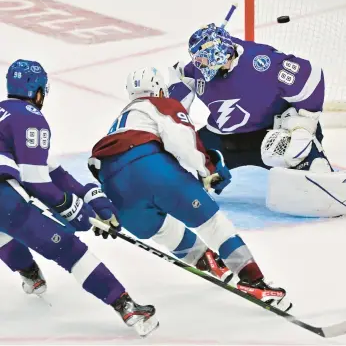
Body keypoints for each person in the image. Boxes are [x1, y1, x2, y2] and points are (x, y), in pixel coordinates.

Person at [88, 67, 292, 312]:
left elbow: (95, 165)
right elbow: (182, 139)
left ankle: (203, 259)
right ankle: (254, 280)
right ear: (159, 88)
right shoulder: (162, 103)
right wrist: (208, 171)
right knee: (212, 223)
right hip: (151, 169)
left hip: (114, 188)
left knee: (161, 229)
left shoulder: (118, 123)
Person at [0, 59, 158, 337]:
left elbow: (53, 172)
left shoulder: (5, 116)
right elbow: (37, 181)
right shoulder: (29, 117)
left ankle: (31, 276)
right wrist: (74, 211)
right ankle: (126, 306)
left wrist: (92, 198)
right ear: (37, 91)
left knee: (4, 232)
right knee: (69, 248)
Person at [167, 23, 345, 217]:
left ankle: (314, 162)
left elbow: (311, 77)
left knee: (312, 167)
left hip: (271, 135)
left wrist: (303, 126)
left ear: (218, 52)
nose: (198, 63)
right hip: (225, 139)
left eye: (202, 58)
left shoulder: (262, 63)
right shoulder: (197, 70)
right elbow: (177, 101)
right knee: (179, 161)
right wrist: (175, 94)